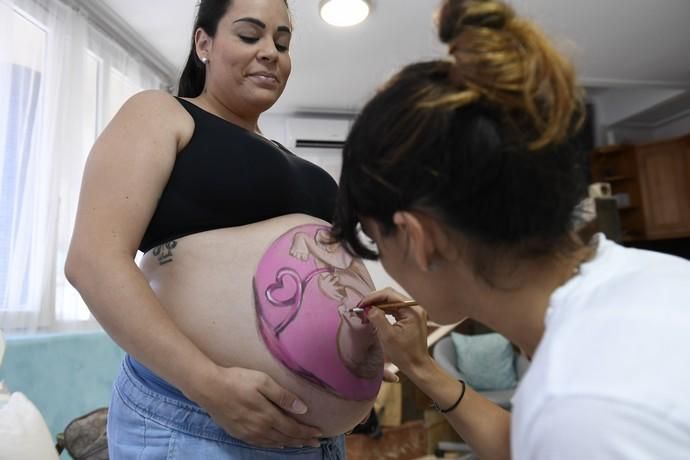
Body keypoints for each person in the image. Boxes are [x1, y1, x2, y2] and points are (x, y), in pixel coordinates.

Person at [330, 0, 690, 458]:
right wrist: (421, 366)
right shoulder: (647, 277)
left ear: (418, 238)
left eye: (374, 240)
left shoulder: (583, 409)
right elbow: (523, 444)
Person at [65, 0, 383, 458]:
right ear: (204, 43)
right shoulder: (162, 115)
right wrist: (208, 385)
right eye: (250, 35)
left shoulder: (301, 164)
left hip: (315, 443)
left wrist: (358, 356)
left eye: (282, 41)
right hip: (198, 422)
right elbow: (93, 262)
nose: (271, 52)